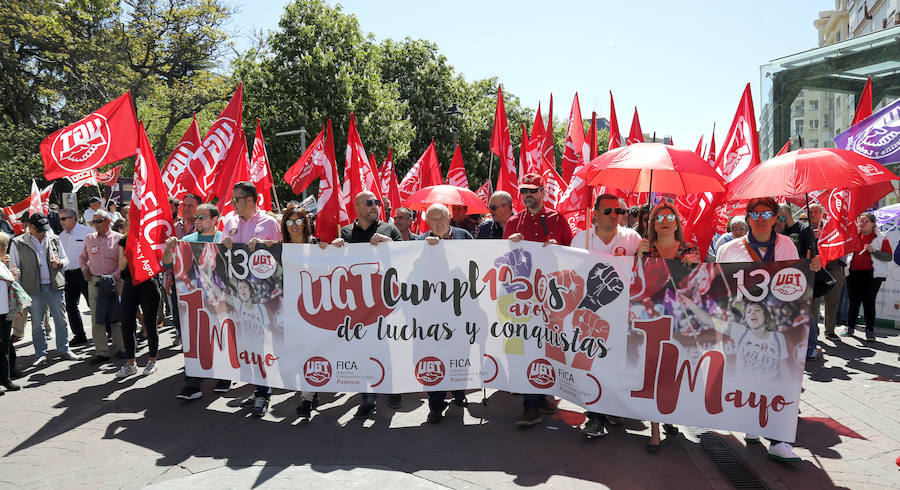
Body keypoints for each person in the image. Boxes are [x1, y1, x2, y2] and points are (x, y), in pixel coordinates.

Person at [716, 197, 821, 463]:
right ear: (747, 217)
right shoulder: (729, 249)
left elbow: (794, 283)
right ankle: (752, 425)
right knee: (748, 375)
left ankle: (777, 439)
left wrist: (810, 268)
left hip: (777, 324)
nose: (760, 218)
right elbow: (718, 287)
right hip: (743, 323)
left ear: (777, 218)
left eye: (766, 213)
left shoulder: (787, 244)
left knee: (776, 375)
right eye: (754, 213)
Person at [504, 173, 573, 427]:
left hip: (552, 296)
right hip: (523, 297)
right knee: (527, 347)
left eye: (532, 191)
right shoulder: (513, 222)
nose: (528, 195)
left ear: (543, 192)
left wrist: (559, 249)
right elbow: (504, 261)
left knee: (550, 346)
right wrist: (510, 246)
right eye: (524, 191)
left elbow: (574, 257)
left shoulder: (557, 220)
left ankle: (544, 394)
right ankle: (530, 405)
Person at [326, 190, 402, 418]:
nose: (374, 206)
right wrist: (334, 247)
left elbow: (405, 255)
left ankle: (392, 388)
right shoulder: (347, 232)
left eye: (376, 202)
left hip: (385, 300)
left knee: (388, 348)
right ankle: (367, 398)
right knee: (362, 350)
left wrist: (389, 243)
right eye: (369, 203)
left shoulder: (390, 229)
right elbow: (336, 266)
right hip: (357, 303)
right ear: (357, 207)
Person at [572, 194, 641, 438]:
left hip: (624, 313)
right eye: (609, 211)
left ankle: (612, 406)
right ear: (596, 213)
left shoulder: (633, 238)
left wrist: (647, 250)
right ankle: (594, 417)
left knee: (617, 364)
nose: (616, 215)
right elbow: (573, 271)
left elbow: (644, 270)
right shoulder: (582, 238)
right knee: (595, 362)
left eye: (620, 211)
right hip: (593, 312)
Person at [635, 203, 699, 452]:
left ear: (676, 221)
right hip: (650, 317)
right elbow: (633, 281)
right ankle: (654, 431)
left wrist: (696, 263)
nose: (664, 220)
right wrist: (638, 257)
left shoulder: (689, 248)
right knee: (652, 370)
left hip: (681, 319)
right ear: (651, 223)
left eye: (669, 216)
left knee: (672, 370)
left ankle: (668, 415)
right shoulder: (645, 248)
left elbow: (700, 285)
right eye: (658, 217)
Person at [220, 182, 282, 416]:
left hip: (263, 297)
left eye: (237, 199)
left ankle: (263, 393)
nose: (233, 204)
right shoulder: (229, 222)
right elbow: (222, 255)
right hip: (238, 295)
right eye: (233, 200)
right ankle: (257, 387)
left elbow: (279, 257)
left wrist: (268, 246)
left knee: (262, 343)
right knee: (246, 344)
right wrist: (224, 244)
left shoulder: (269, 223)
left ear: (250, 200)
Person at [164, 204, 233, 400]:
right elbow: (168, 263)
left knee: (220, 338)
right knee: (194, 340)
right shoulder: (186, 240)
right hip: (193, 298)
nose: (197, 221)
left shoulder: (223, 239)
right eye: (196, 218)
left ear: (215, 220)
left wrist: (231, 248)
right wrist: (169, 249)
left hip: (220, 299)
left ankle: (224, 377)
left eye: (202, 217)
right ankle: (193, 384)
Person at [419, 203, 471, 423]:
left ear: (450, 219)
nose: (439, 223)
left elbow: (478, 262)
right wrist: (425, 249)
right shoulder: (419, 242)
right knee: (434, 358)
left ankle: (459, 393)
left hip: (461, 309)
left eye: (443, 218)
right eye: (434, 219)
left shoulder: (465, 236)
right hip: (432, 314)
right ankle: (436, 405)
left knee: (460, 353)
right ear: (427, 222)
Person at [10, 212, 79, 365]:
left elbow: (65, 259)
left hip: (55, 285)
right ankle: (41, 353)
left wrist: (61, 263)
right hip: (32, 288)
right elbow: (14, 267)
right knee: (37, 322)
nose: (42, 233)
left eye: (44, 229)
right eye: (39, 230)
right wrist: (19, 291)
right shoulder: (18, 242)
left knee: (61, 320)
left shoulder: (53, 238)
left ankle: (64, 349)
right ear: (30, 227)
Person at [277, 205, 320, 417]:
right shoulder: (278, 248)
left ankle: (306, 398)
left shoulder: (316, 245)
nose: (294, 226)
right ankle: (311, 390)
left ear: (306, 222)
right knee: (298, 354)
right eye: (289, 221)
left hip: (314, 309)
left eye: (298, 221)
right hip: (288, 309)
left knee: (310, 352)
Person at [112, 213, 161, 378]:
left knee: (150, 324)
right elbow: (121, 265)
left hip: (149, 284)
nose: (136, 225)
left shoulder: (150, 238)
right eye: (133, 222)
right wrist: (129, 248)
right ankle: (130, 364)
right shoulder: (123, 241)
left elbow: (158, 261)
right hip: (130, 285)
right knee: (127, 323)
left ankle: (152, 361)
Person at [79, 210, 125, 364]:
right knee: (96, 318)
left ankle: (120, 348)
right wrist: (85, 270)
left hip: (115, 281)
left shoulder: (118, 238)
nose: (96, 225)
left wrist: (114, 275)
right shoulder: (89, 238)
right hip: (95, 282)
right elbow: (82, 258)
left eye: (99, 221)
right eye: (94, 222)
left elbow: (123, 261)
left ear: (108, 220)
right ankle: (102, 351)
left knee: (117, 316)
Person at [777, 204, 820, 358]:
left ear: (787, 214)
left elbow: (813, 252)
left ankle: (812, 345)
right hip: (782, 276)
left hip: (801, 275)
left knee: (804, 311)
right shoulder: (779, 230)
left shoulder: (804, 229)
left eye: (780, 216)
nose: (777, 219)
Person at [843, 213, 892, 341]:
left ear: (873, 223)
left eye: (865, 221)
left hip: (872, 275)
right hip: (853, 273)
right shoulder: (853, 236)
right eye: (861, 221)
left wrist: (873, 251)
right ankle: (850, 327)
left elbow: (888, 257)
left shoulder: (881, 238)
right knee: (853, 302)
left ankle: (870, 331)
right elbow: (845, 253)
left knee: (869, 302)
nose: (862, 223)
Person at [58, 208, 91, 346]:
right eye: (59, 219)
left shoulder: (86, 231)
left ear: (73, 218)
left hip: (85, 272)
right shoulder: (61, 236)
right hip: (69, 275)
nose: (61, 221)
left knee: (93, 304)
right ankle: (79, 335)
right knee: (71, 306)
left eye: (63, 218)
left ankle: (108, 331)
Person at [0, 231, 22, 392]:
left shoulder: (2, 262)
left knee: (5, 344)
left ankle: (5, 377)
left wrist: (13, 275)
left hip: (4, 309)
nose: (7, 248)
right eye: (5, 245)